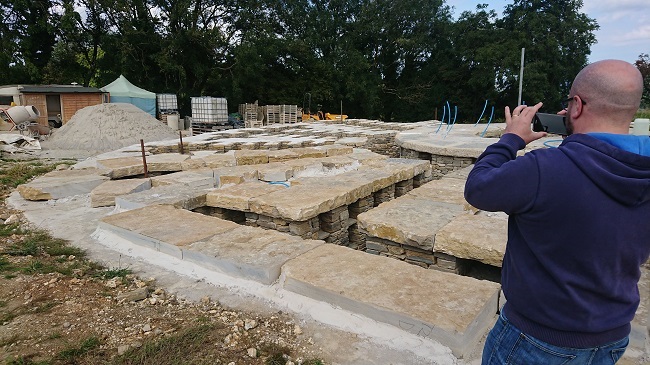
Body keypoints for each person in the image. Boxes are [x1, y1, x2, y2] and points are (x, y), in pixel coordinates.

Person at [464, 59, 650, 364]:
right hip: (612, 337)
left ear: (575, 106)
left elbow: (478, 188)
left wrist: (510, 139)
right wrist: (580, 144)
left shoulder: (543, 170)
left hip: (538, 339)